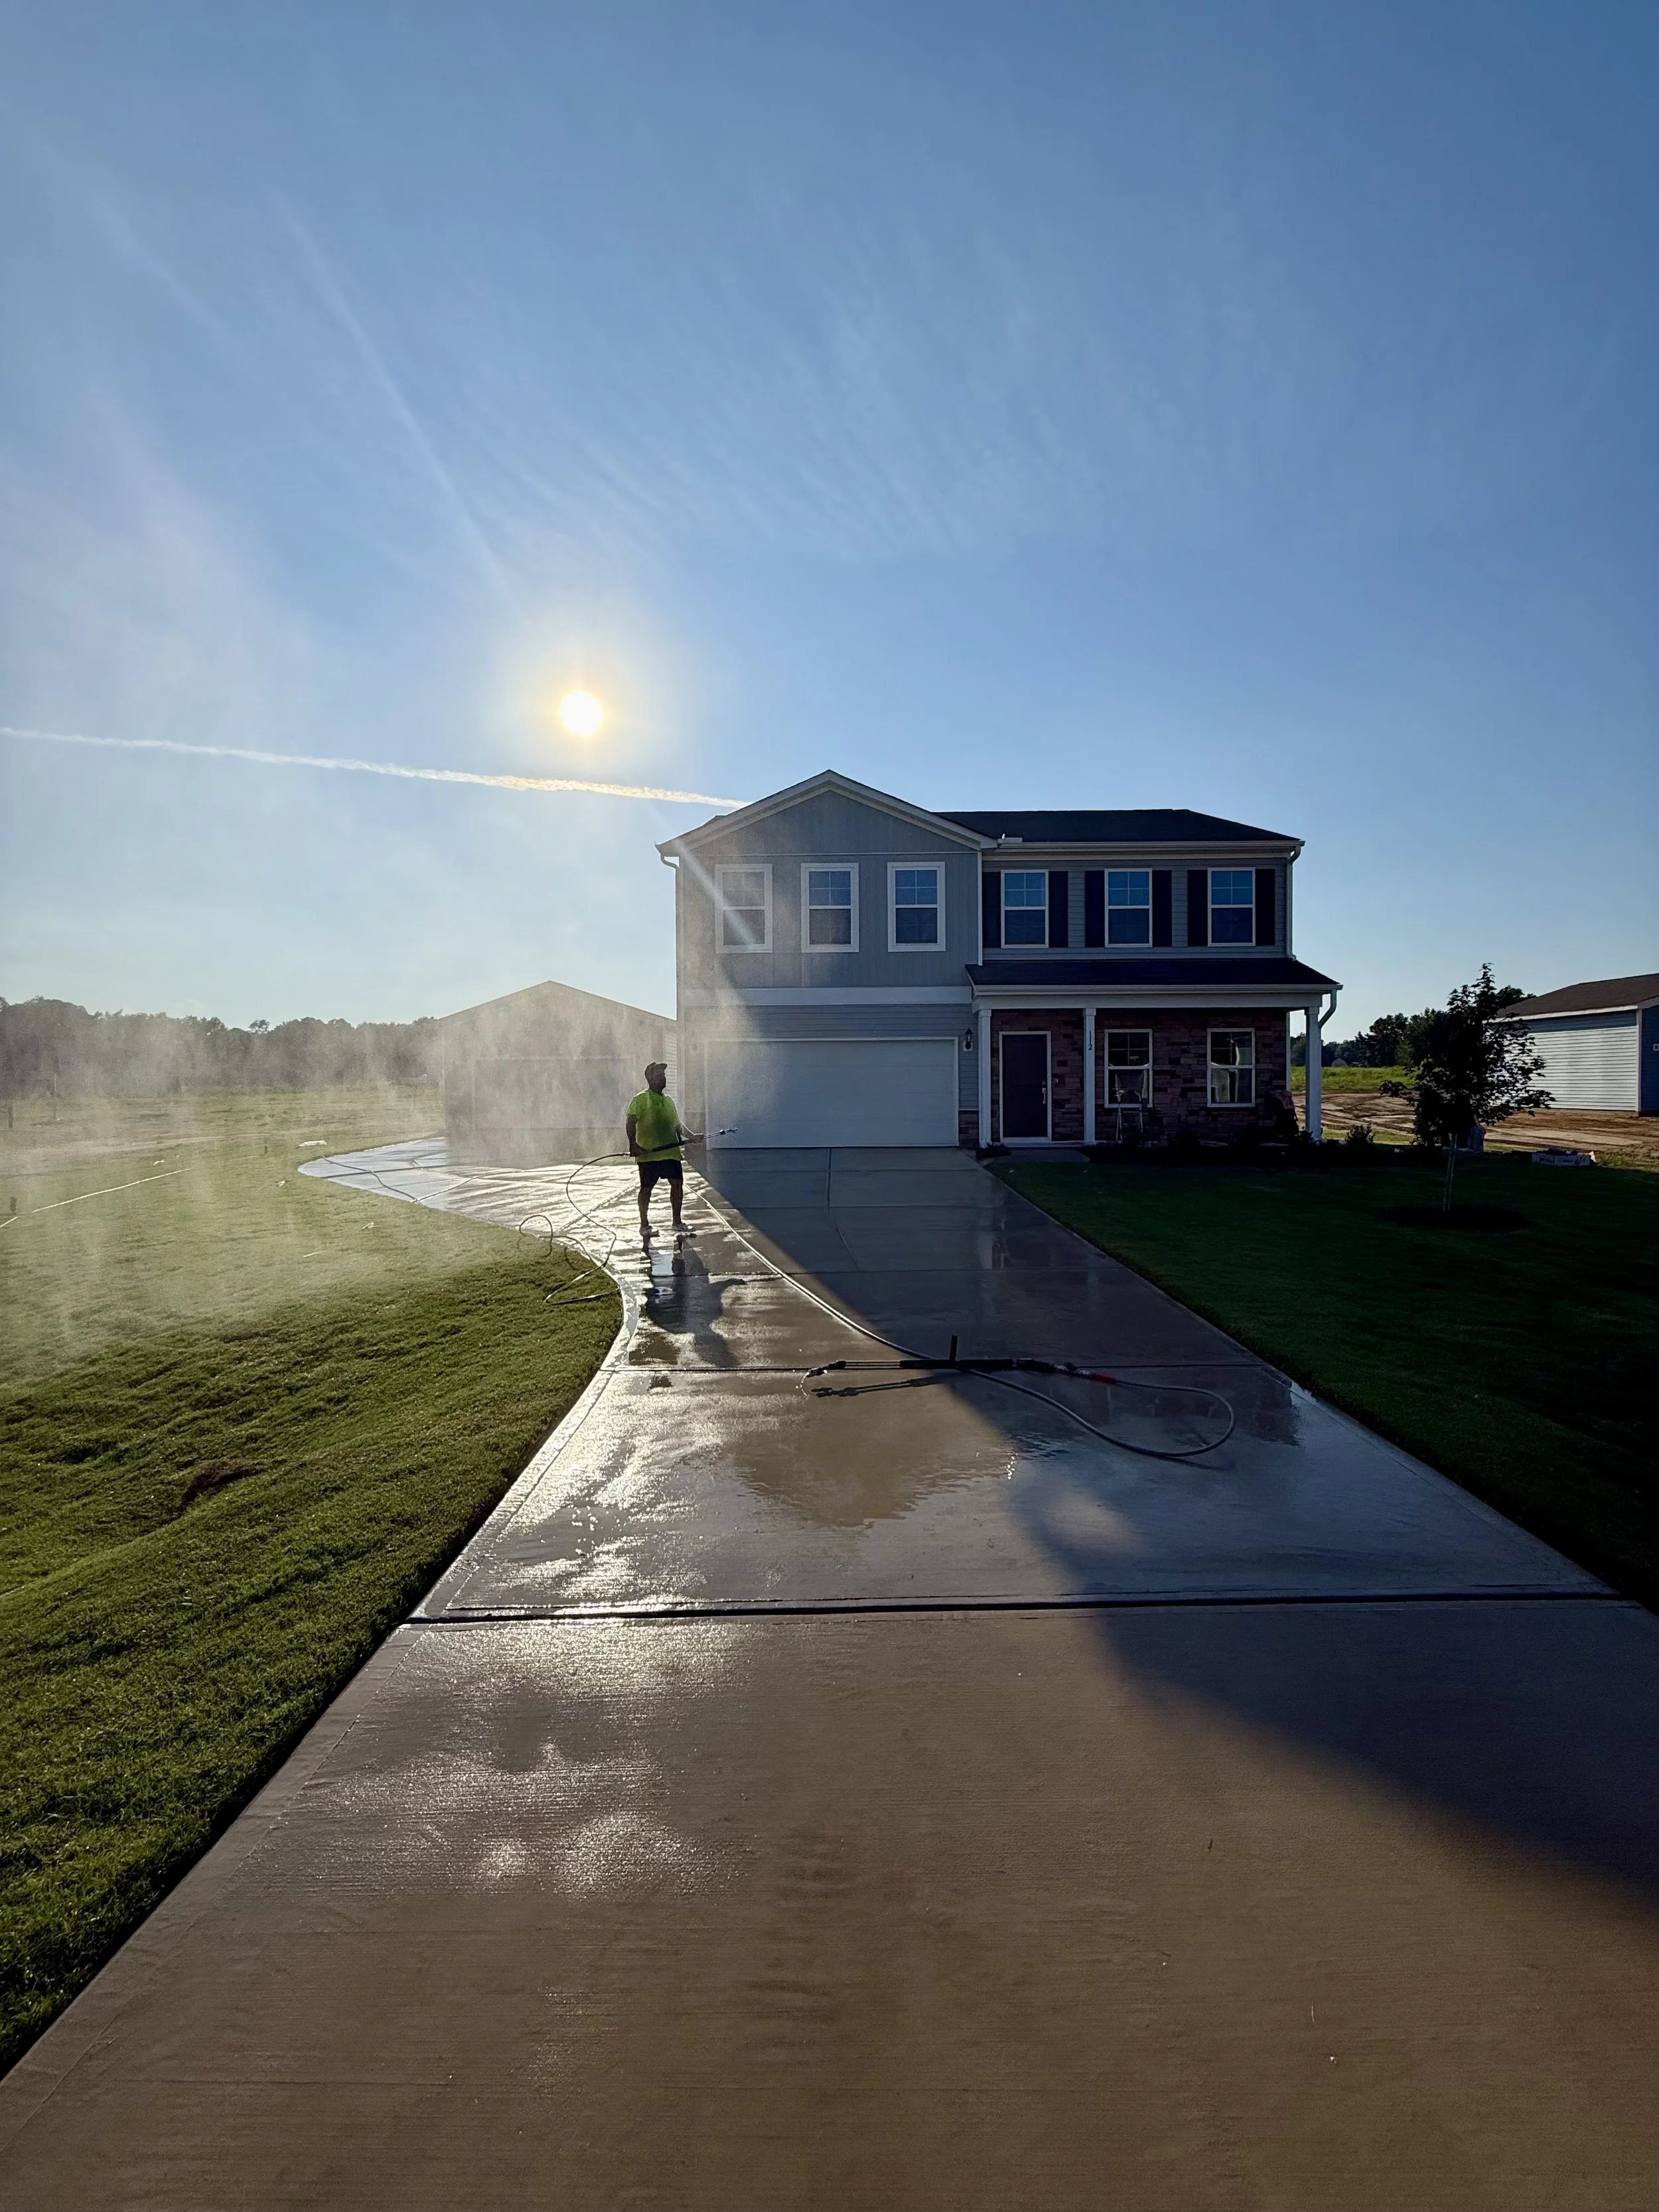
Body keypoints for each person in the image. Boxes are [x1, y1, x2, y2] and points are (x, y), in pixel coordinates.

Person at [626, 1062, 694, 1239]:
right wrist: (633, 1144)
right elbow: (630, 1122)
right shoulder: (640, 1099)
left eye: (664, 1075)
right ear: (650, 1078)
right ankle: (644, 1225)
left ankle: (677, 1222)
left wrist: (691, 1136)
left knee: (677, 1185)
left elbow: (678, 1126)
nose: (664, 1078)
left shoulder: (669, 1101)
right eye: (659, 1076)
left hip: (670, 1154)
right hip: (649, 1154)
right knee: (646, 1188)